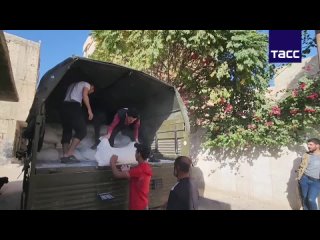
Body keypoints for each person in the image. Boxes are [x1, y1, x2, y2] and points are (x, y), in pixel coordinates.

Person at [109, 143, 152, 210]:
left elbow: (116, 174)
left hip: (137, 207)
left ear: (139, 154)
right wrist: (127, 171)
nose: (135, 153)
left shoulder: (139, 170)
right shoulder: (146, 167)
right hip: (143, 204)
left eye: (136, 151)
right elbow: (137, 180)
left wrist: (112, 162)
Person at [60, 81, 95, 163]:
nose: (91, 92)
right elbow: (85, 95)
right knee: (82, 131)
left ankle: (65, 155)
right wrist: (89, 110)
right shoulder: (87, 84)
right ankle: (68, 154)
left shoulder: (72, 84)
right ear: (92, 87)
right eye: (92, 91)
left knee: (67, 130)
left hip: (64, 107)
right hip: (74, 106)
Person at [296, 138, 320, 210]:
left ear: (317, 145)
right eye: (308, 144)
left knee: (311, 199)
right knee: (305, 198)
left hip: (316, 181)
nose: (308, 146)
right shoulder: (306, 155)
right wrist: (299, 177)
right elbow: (302, 166)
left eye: (311, 144)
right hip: (304, 179)